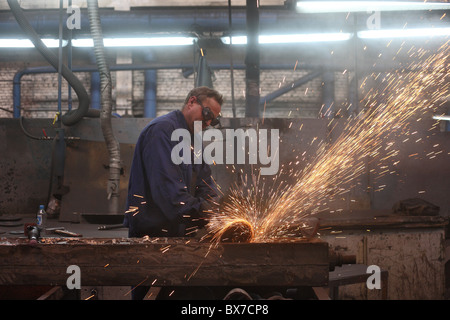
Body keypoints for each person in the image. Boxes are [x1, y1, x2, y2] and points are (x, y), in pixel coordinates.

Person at [123, 86, 223, 300]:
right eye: (206, 115)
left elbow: (205, 181)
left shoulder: (191, 140)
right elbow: (170, 197)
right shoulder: (162, 131)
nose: (207, 123)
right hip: (151, 236)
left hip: (175, 232)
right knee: (152, 294)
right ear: (191, 102)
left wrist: (218, 207)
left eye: (212, 120)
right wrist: (206, 213)